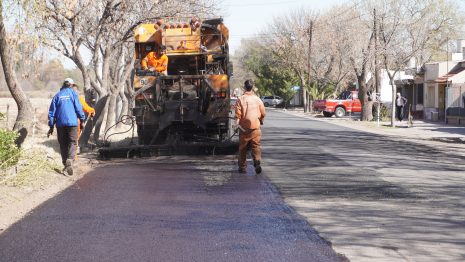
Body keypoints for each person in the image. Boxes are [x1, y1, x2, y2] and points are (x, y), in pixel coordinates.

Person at [48, 78, 85, 176]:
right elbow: (78, 108)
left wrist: (51, 126)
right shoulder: (73, 94)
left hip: (60, 124)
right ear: (71, 86)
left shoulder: (57, 96)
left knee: (63, 144)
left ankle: (65, 163)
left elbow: (51, 113)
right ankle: (70, 159)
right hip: (72, 123)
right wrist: (82, 120)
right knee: (72, 142)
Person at [235, 80, 266, 174]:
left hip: (244, 128)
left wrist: (236, 125)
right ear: (252, 87)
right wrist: (260, 121)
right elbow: (263, 113)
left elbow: (238, 115)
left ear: (244, 87)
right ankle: (257, 161)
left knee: (242, 148)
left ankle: (242, 167)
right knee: (256, 146)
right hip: (255, 128)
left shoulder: (241, 99)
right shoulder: (257, 99)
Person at [72, 85, 95, 156]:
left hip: (61, 122)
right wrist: (92, 111)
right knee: (74, 139)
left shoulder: (61, 97)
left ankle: (67, 155)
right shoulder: (78, 98)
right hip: (75, 121)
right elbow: (86, 108)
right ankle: (73, 157)